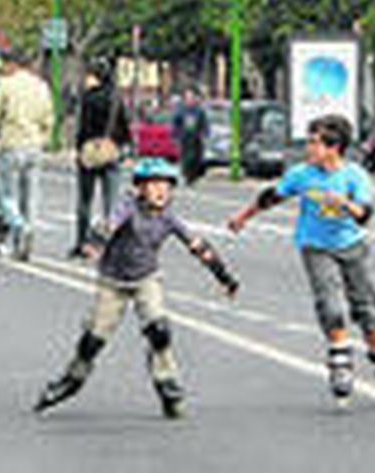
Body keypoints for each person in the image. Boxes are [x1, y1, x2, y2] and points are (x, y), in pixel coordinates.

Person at [228, 114, 375, 407]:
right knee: (330, 304)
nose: (309, 147)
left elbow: (365, 215)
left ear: (334, 147)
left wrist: (345, 204)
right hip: (315, 246)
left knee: (367, 307)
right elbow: (271, 197)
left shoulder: (354, 175)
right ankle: (340, 361)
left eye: (314, 142)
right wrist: (242, 218)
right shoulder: (302, 174)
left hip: (351, 246)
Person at [35, 158, 239, 419]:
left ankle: (167, 386)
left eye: (166, 185)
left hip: (146, 279)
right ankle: (69, 380)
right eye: (154, 184)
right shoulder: (128, 207)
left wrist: (224, 277)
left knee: (159, 331)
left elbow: (200, 248)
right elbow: (110, 223)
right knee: (93, 341)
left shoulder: (168, 218)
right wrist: (94, 244)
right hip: (113, 282)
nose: (161, 191)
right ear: (140, 188)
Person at [0, 48, 54, 260]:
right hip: (34, 146)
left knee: (6, 196)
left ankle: (20, 227)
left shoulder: (6, 85)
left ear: (11, 64)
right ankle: (24, 241)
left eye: (3, 65)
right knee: (30, 196)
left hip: (12, 144)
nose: (2, 70)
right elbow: (48, 118)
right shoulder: (41, 86)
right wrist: (44, 139)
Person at [71, 65, 131, 258]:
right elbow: (124, 127)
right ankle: (111, 244)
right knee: (111, 203)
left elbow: (83, 127)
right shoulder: (116, 98)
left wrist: (79, 150)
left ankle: (81, 241)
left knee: (84, 201)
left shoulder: (88, 98)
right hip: (111, 151)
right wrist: (119, 146)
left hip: (90, 152)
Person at [172, 88, 209, 185]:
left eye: (191, 98)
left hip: (196, 137)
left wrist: (205, 133)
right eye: (187, 98)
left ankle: (193, 175)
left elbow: (204, 123)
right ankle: (187, 174)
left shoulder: (199, 111)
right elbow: (176, 123)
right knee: (187, 157)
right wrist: (175, 135)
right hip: (185, 138)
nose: (190, 100)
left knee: (196, 158)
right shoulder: (180, 111)